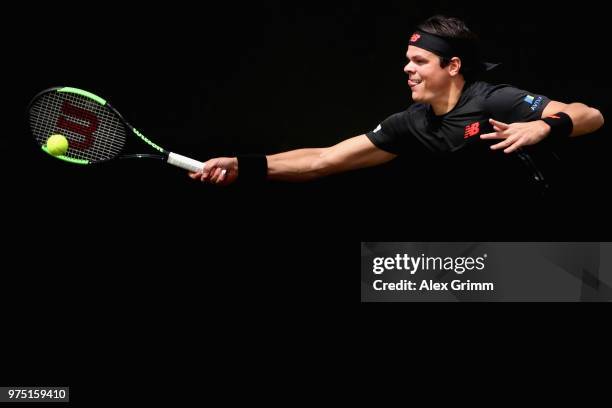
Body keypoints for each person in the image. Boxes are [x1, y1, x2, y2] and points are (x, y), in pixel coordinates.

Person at [188, 15, 604, 196]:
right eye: (408, 59)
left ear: (453, 65)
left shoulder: (495, 99)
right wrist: (243, 165)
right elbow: (323, 160)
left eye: (419, 61)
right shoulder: (410, 123)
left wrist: (546, 126)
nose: (407, 68)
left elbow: (591, 115)